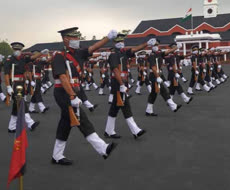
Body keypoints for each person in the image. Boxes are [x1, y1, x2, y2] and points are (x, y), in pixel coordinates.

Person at [51, 27, 117, 165]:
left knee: (65, 124)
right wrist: (72, 96)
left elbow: (93, 47)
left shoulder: (78, 53)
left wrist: (108, 38)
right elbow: (63, 77)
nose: (77, 40)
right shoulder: (59, 55)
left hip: (74, 90)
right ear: (66, 39)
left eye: (77, 37)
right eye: (74, 37)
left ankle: (57, 156)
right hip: (64, 93)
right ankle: (102, 148)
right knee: (82, 119)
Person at [104, 32, 149, 138]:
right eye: (118, 41)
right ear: (114, 43)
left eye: (122, 41)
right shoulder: (114, 55)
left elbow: (135, 49)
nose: (121, 43)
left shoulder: (123, 53)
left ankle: (108, 131)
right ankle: (135, 130)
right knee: (125, 106)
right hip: (118, 83)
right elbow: (115, 70)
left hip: (122, 82)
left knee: (115, 108)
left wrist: (147, 44)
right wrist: (121, 84)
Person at [4, 42, 43, 132]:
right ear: (13, 49)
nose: (17, 51)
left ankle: (11, 127)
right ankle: (30, 123)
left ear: (21, 50)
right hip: (14, 84)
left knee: (16, 105)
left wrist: (41, 53)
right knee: (21, 102)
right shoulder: (9, 60)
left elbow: (32, 57)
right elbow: (6, 74)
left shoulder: (23, 59)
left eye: (19, 50)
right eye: (15, 49)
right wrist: (8, 86)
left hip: (21, 83)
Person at [145, 39, 182, 116]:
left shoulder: (159, 53)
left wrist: (176, 47)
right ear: (151, 46)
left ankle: (148, 110)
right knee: (163, 91)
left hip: (158, 74)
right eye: (154, 45)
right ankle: (173, 106)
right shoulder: (151, 55)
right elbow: (153, 67)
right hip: (154, 75)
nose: (156, 46)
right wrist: (157, 77)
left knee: (153, 94)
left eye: (157, 45)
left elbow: (167, 52)